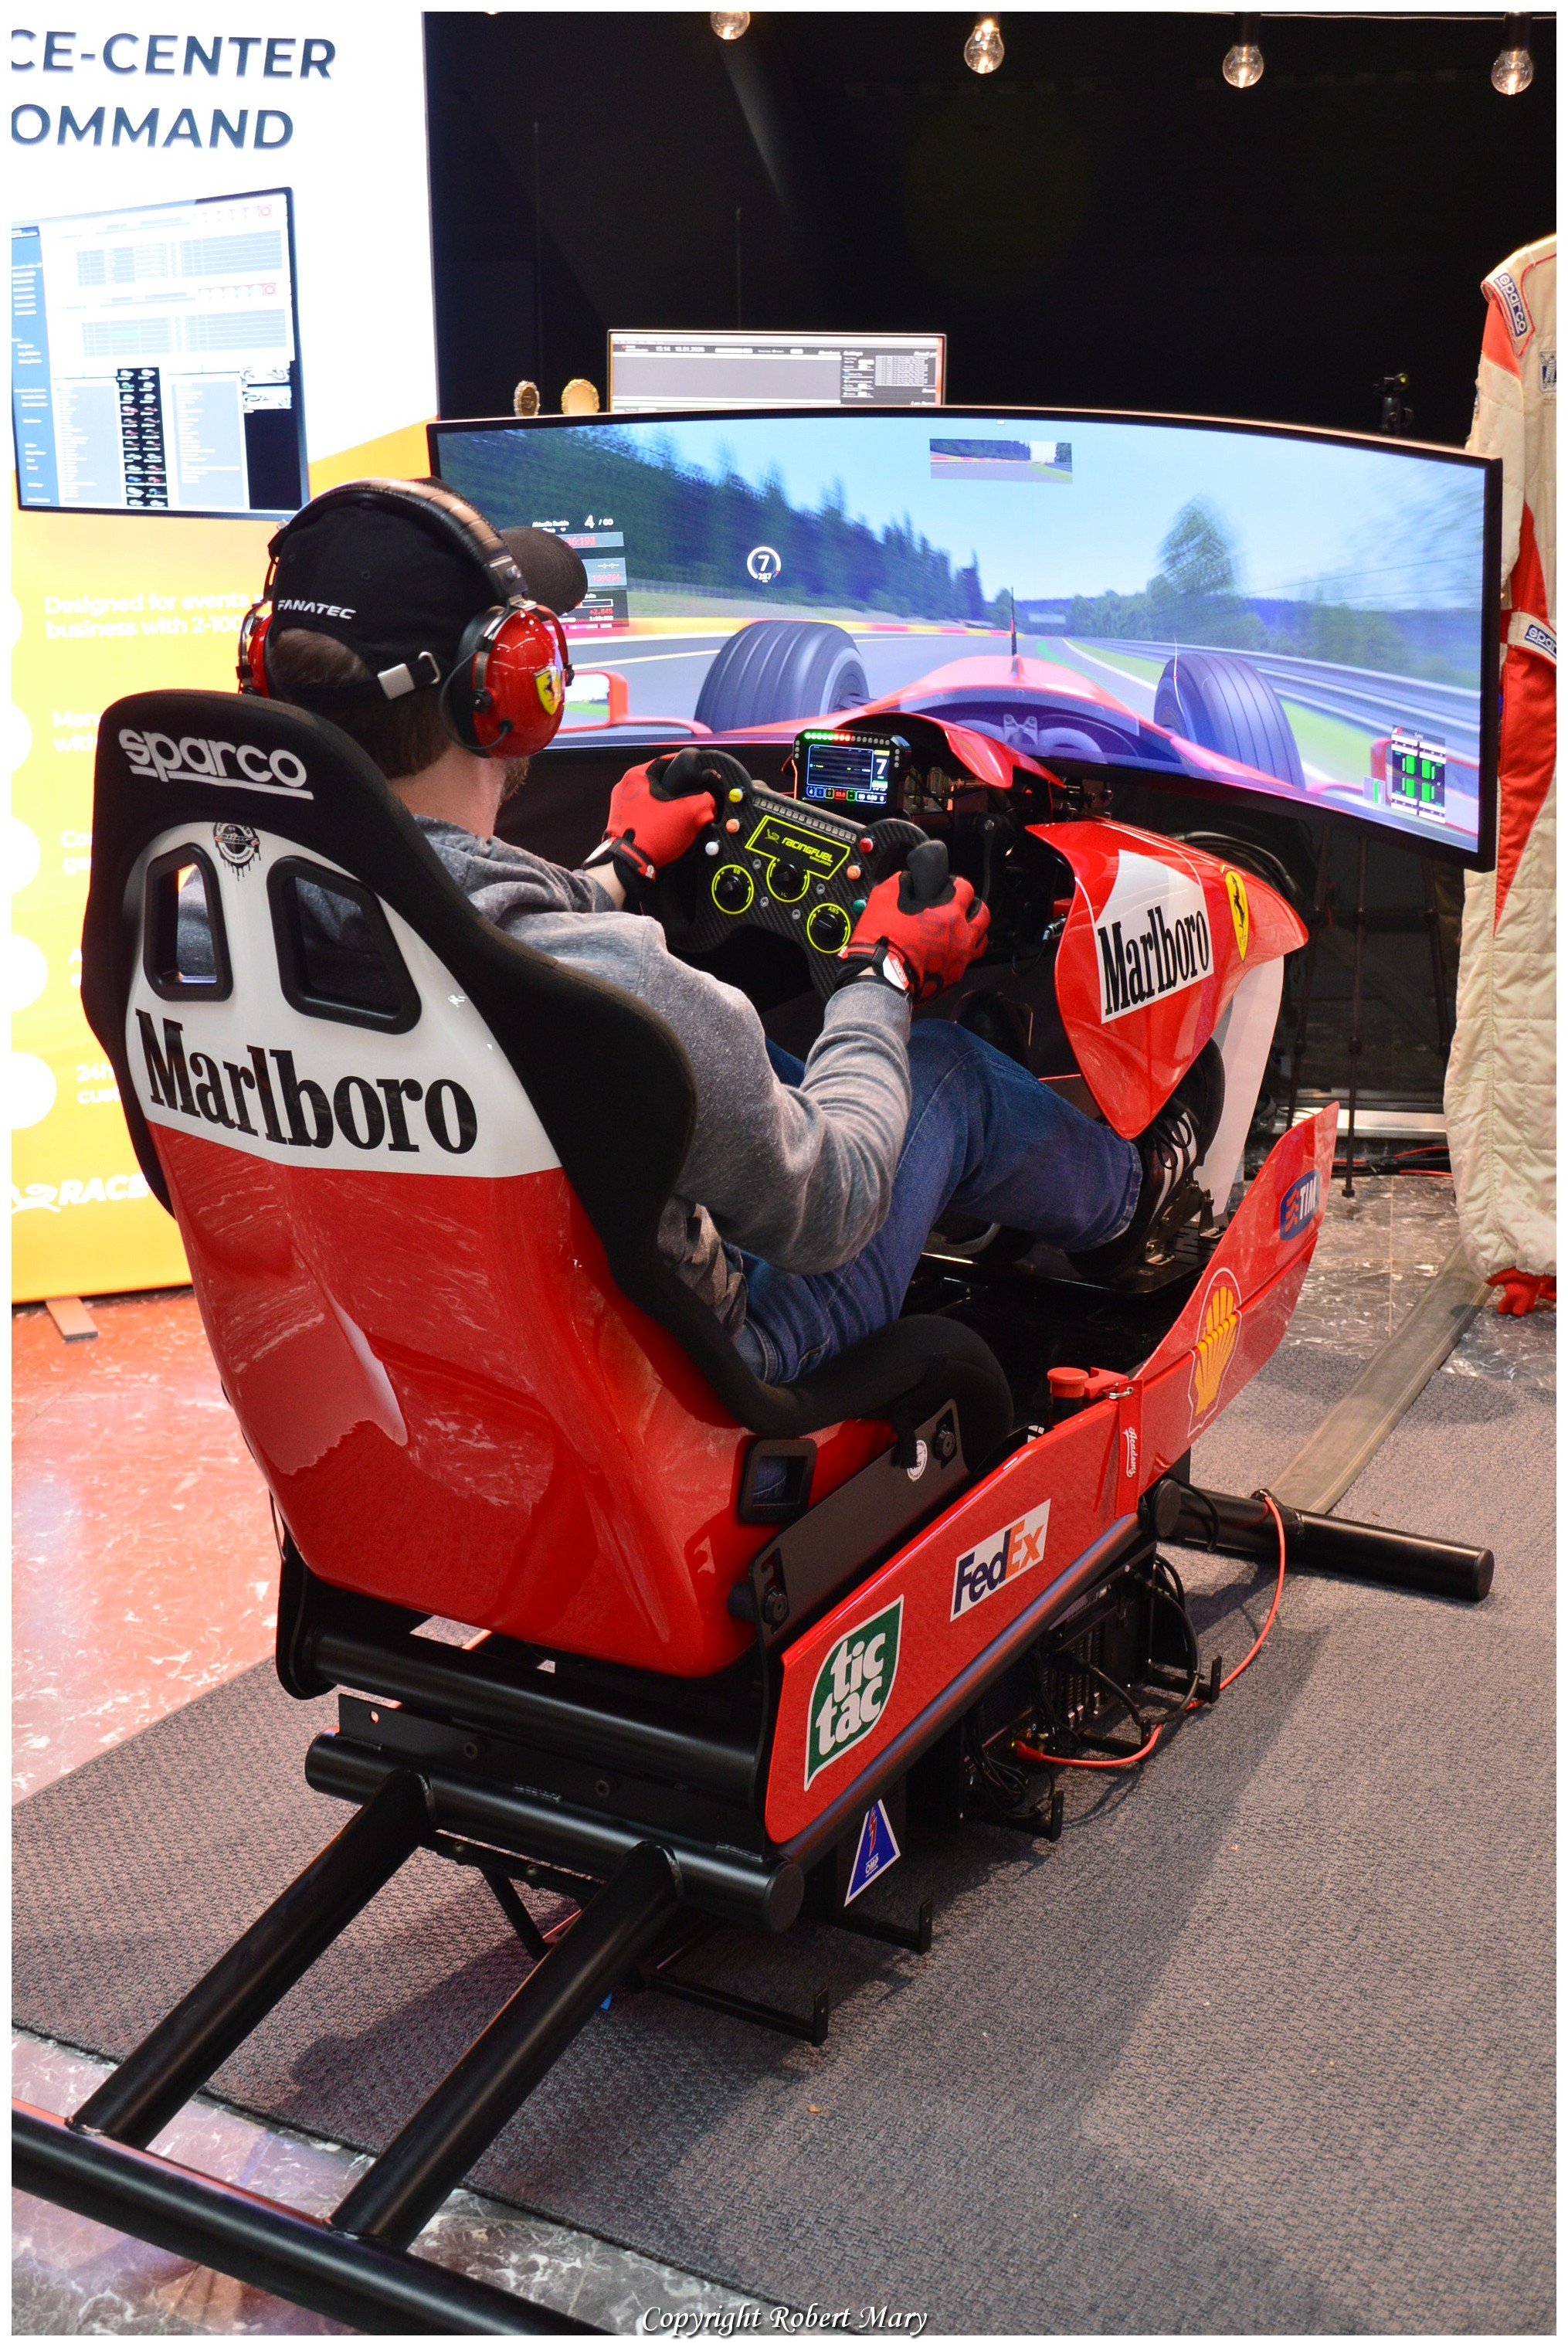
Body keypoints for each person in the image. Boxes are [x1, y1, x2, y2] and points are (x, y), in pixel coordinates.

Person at [240, 487, 1205, 1385]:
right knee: (947, 1071)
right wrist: (884, 973)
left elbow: (462, 913)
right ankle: (1132, 1206)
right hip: (702, 1360)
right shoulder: (610, 989)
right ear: (512, 690)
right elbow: (831, 1209)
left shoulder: (215, 929)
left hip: (425, 1333)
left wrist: (616, 868)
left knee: (770, 1072)